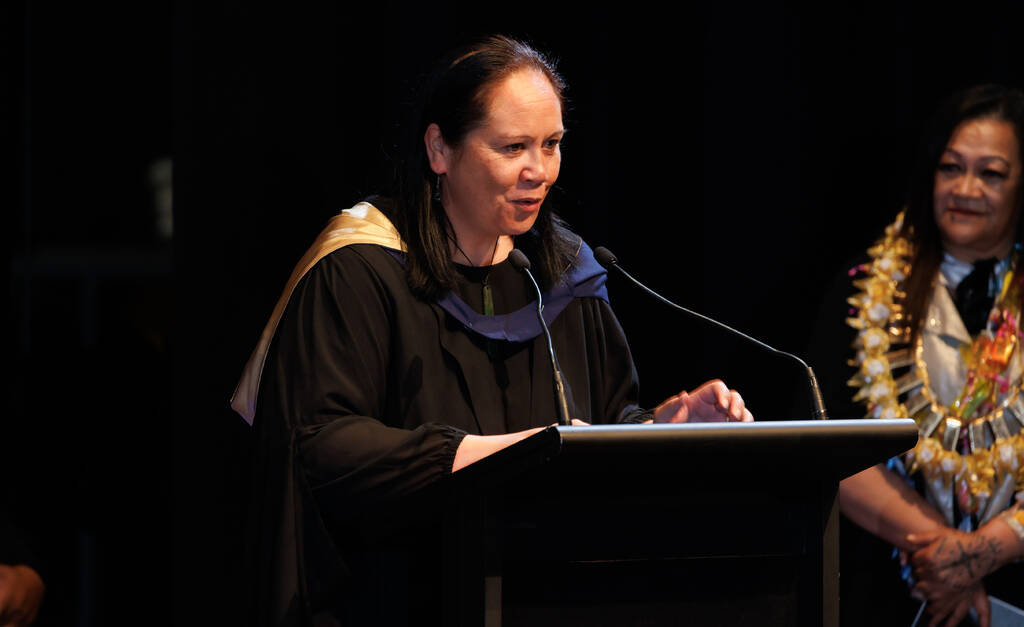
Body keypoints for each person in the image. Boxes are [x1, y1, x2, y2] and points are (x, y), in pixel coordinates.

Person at [231, 35, 751, 626]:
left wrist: (661, 430)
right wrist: (511, 453)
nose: (540, 171)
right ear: (439, 149)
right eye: (513, 147)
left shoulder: (563, 274)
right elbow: (322, 445)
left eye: (551, 144)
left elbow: (598, 425)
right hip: (391, 598)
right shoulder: (360, 269)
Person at [814, 85, 1024, 627]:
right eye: (951, 167)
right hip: (893, 584)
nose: (965, 189)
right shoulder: (863, 292)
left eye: (991, 173)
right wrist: (947, 554)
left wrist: (995, 546)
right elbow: (826, 440)